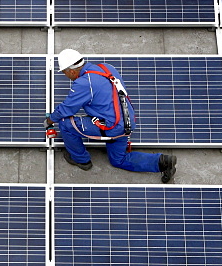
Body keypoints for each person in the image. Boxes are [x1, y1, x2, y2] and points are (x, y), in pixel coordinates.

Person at [46, 49, 177, 183]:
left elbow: (66, 109)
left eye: (64, 72)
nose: (66, 75)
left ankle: (81, 160)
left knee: (65, 123)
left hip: (112, 126)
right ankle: (162, 162)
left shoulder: (84, 83)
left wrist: (50, 120)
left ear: (72, 71)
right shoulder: (106, 67)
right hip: (126, 123)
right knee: (118, 160)